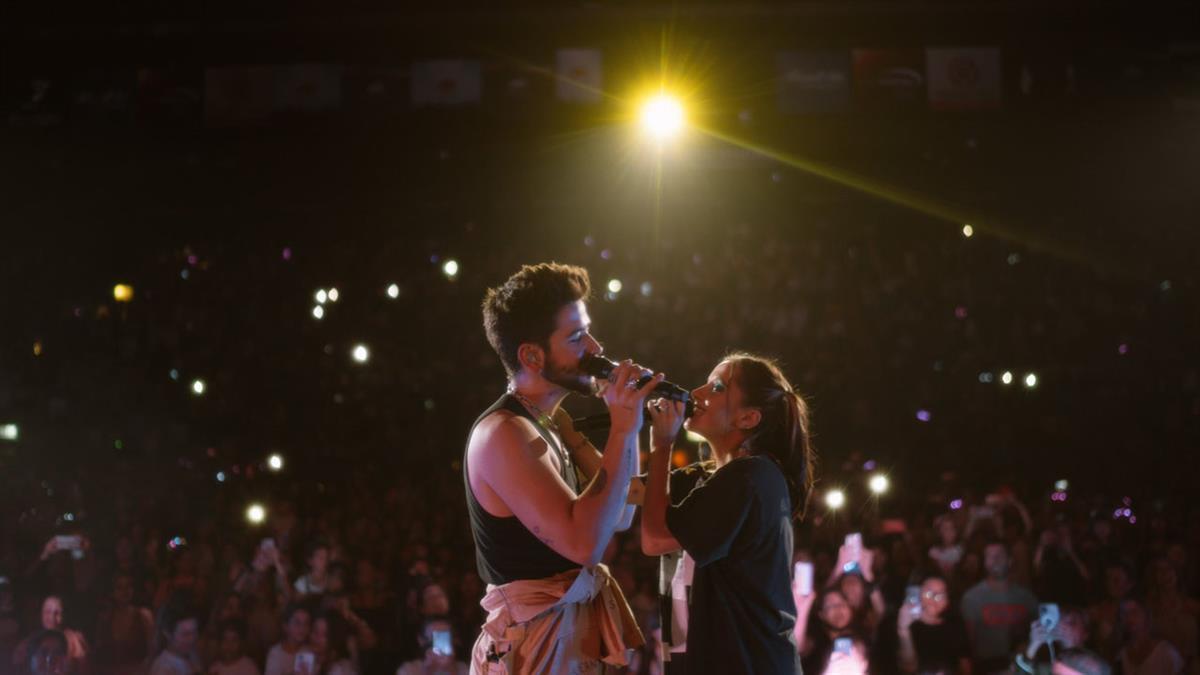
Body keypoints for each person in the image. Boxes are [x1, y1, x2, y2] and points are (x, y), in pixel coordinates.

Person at [464, 263, 652, 672]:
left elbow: (619, 515)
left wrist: (630, 427)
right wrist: (621, 427)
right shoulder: (503, 434)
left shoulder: (550, 424)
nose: (596, 348)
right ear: (532, 355)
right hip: (535, 649)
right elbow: (585, 544)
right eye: (576, 337)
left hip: (562, 640)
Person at [642, 353, 815, 674]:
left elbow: (654, 539)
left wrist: (662, 446)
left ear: (748, 419)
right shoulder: (712, 477)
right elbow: (625, 491)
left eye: (718, 388)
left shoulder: (751, 477)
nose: (697, 394)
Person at [960, 542, 1038, 674]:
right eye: (990, 556)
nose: (995, 559)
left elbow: (1036, 634)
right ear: (984, 562)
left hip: (1022, 665)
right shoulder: (972, 598)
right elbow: (968, 644)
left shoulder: (1026, 597)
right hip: (987, 668)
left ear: (1010, 560)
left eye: (999, 555)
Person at [896, 576, 972, 674]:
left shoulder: (955, 625)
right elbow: (908, 668)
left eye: (940, 596)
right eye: (928, 593)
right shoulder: (905, 624)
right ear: (917, 594)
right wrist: (903, 629)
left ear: (947, 601)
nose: (933, 599)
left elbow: (965, 665)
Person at [1014, 606, 1109, 675]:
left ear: (1085, 634)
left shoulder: (1096, 665)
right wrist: (1033, 646)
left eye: (1072, 623)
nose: (1064, 627)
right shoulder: (1048, 665)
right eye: (1061, 622)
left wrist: (1071, 650)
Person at [795, 589, 871, 675]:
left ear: (850, 609)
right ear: (822, 615)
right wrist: (803, 608)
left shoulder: (867, 638)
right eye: (830, 605)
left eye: (842, 603)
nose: (838, 608)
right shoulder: (817, 643)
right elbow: (797, 646)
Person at [13, 597, 89, 675]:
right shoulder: (29, 641)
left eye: (57, 613)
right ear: (41, 615)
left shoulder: (75, 640)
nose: (52, 617)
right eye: (48, 612)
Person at [1116, 597, 1183, 675]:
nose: (1129, 617)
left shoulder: (1166, 652)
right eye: (1124, 613)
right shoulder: (1121, 656)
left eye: (1134, 612)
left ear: (1146, 615)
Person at [148, 598, 202, 675]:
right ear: (168, 634)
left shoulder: (192, 654)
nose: (192, 639)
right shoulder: (163, 668)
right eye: (186, 634)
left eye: (194, 632)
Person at [396, 619, 468, 675]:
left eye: (444, 638)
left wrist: (452, 670)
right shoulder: (408, 670)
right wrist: (427, 671)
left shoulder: (464, 669)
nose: (439, 645)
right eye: (434, 638)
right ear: (421, 641)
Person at [264, 605, 313, 675]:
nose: (302, 628)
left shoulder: (308, 651)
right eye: (297, 623)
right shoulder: (275, 654)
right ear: (285, 626)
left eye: (306, 624)